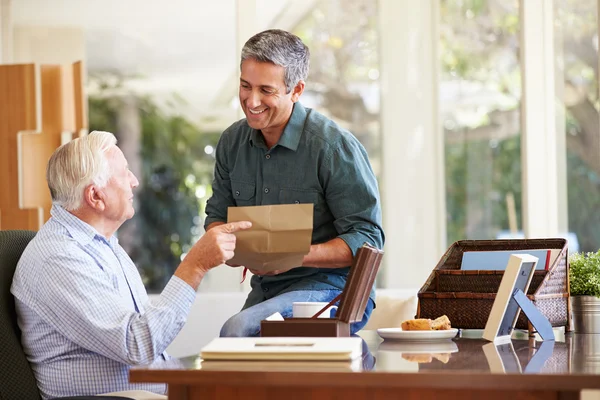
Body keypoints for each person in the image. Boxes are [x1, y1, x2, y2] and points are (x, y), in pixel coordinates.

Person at [11, 131, 251, 400]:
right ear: (95, 196)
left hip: (153, 388)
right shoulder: (59, 258)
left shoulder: (101, 245)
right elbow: (137, 344)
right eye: (125, 173)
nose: (134, 182)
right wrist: (195, 265)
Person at [205, 29, 384, 337]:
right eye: (245, 86)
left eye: (266, 90)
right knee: (232, 347)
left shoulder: (333, 147)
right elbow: (216, 217)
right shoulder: (231, 143)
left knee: (238, 330)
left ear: (297, 90)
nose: (252, 100)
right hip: (268, 291)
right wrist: (227, 245)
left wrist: (291, 254)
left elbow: (368, 240)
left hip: (334, 291)